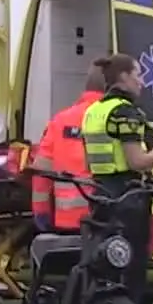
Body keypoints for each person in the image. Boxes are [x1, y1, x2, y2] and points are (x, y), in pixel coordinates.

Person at [79, 54, 153, 304]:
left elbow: (88, 162)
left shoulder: (93, 112)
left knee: (105, 261)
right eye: (138, 75)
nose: (142, 82)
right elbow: (137, 162)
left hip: (99, 194)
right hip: (127, 198)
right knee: (131, 265)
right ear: (124, 77)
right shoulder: (125, 112)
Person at [29, 69, 106, 232]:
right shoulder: (114, 118)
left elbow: (41, 171)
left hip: (67, 221)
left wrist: (41, 210)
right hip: (106, 218)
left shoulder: (61, 120)